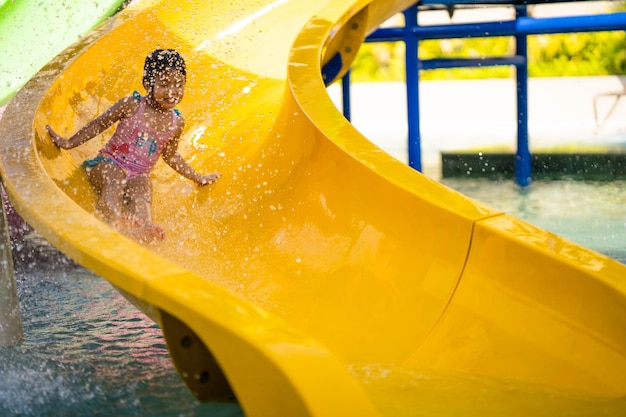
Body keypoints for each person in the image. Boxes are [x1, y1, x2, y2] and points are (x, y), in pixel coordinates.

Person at [46, 49, 220, 243]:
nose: (172, 92)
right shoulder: (132, 105)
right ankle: (114, 218)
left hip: (140, 173)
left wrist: (197, 178)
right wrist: (69, 143)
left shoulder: (175, 122)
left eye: (179, 85)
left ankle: (145, 228)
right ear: (148, 84)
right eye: (164, 84)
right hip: (109, 162)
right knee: (114, 183)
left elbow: (171, 156)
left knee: (142, 193)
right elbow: (99, 124)